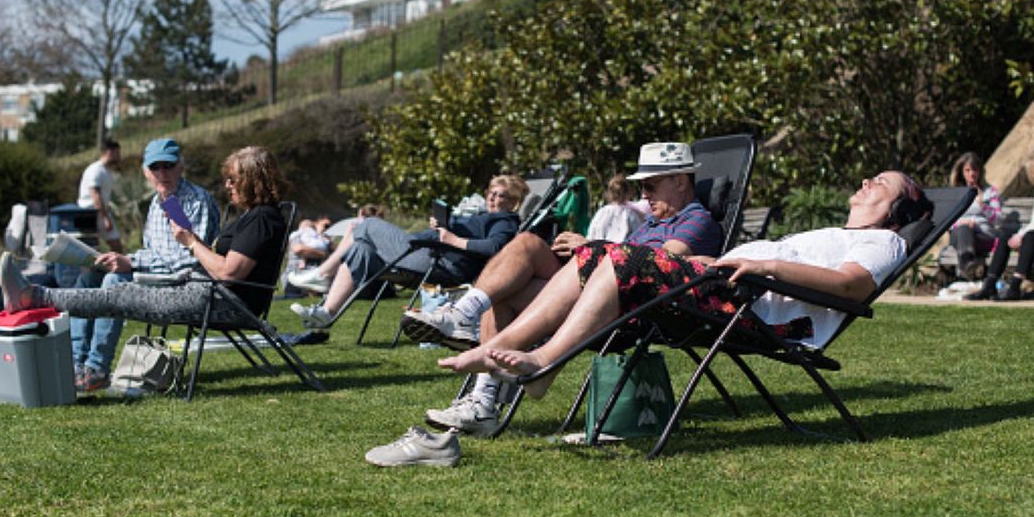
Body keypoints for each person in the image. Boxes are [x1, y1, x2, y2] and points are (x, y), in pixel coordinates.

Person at [432, 171, 930, 410]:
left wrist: (765, 263)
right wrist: (717, 262)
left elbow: (850, 284)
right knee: (592, 256)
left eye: (880, 182)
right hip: (727, 283)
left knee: (619, 258)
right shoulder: (833, 234)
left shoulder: (882, 241)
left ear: (899, 209)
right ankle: (517, 356)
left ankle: (542, 361)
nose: (867, 181)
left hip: (753, 311)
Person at [399, 141, 723, 435]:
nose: (644, 196)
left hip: (628, 307)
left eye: (650, 186)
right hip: (594, 291)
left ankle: (482, 397)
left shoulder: (696, 220)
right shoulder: (651, 224)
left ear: (680, 181)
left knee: (515, 286)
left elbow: (657, 264)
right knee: (525, 247)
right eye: (641, 188)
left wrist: (593, 246)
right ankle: (466, 315)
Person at [0, 147, 289, 347]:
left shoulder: (262, 219)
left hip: (220, 301)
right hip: (204, 292)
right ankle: (33, 297)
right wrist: (191, 240)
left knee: (118, 297)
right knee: (117, 292)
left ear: (254, 180)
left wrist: (189, 242)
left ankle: (32, 296)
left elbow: (229, 272)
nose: (227, 185)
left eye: (233, 179)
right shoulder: (254, 217)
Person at [65, 138, 220, 393]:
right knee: (87, 280)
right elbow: (153, 251)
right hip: (159, 277)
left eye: (168, 166)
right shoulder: (158, 203)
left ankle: (97, 369)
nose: (162, 173)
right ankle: (76, 364)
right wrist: (124, 260)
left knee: (113, 283)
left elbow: (189, 259)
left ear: (180, 167)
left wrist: (131, 263)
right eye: (155, 167)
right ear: (146, 172)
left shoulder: (195, 201)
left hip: (184, 284)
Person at [286, 175, 529, 331]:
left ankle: (321, 274)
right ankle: (326, 313)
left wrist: (453, 239)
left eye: (502, 196)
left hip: (438, 264)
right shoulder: (483, 216)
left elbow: (496, 248)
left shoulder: (505, 220)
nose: (494, 198)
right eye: (492, 193)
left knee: (368, 224)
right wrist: (443, 226)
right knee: (361, 248)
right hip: (427, 254)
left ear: (514, 202)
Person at [965, 151, 1034, 301]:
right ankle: (989, 284)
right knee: (1006, 237)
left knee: (1030, 236)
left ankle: (1015, 286)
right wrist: (1019, 235)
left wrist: (1026, 236)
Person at [947, 152, 1002, 280]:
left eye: (975, 170)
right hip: (960, 234)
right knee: (963, 230)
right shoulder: (956, 193)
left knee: (965, 233)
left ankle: (965, 273)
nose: (971, 173)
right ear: (962, 172)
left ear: (980, 171)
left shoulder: (990, 192)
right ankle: (969, 267)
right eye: (967, 170)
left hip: (983, 236)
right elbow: (948, 221)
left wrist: (983, 205)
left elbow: (998, 220)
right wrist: (962, 223)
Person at [78, 138, 124, 253]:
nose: (119, 156)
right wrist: (105, 217)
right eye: (117, 153)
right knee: (92, 247)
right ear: (109, 152)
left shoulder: (106, 171)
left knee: (116, 246)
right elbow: (95, 195)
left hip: (101, 212)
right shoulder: (96, 170)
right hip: (90, 213)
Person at [282, 215, 332, 298]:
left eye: (330, 227)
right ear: (316, 223)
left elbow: (338, 253)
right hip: (296, 276)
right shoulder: (301, 234)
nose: (327, 228)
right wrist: (323, 254)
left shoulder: (324, 240)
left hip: (318, 278)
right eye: (326, 225)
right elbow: (299, 249)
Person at [586, 174, 646, 242]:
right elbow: (640, 236)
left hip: (600, 249)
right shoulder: (630, 214)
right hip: (621, 251)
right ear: (628, 193)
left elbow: (591, 234)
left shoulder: (601, 212)